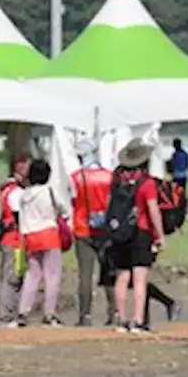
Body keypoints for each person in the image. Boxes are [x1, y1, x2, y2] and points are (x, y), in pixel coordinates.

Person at [107, 140, 166, 334]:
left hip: (120, 233)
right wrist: (160, 234)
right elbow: (153, 210)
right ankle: (138, 320)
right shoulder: (146, 183)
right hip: (141, 231)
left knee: (122, 277)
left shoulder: (117, 179)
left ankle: (121, 319)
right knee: (140, 277)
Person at [14, 159, 71, 327]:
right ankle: (49, 313)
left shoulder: (24, 195)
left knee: (32, 276)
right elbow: (64, 210)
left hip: (30, 237)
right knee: (52, 276)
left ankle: (23, 312)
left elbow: (22, 220)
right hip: (49, 234)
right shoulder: (48, 191)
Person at [70, 140, 116, 326]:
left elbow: (73, 201)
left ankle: (85, 316)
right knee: (109, 272)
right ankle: (114, 312)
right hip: (105, 230)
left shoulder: (75, 177)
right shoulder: (109, 176)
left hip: (82, 228)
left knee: (85, 275)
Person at [0, 154, 31, 327]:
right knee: (13, 278)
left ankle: (8, 314)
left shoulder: (4, 188)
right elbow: (19, 217)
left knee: (11, 276)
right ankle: (7, 316)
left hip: (8, 239)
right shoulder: (16, 192)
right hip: (15, 240)